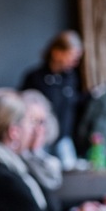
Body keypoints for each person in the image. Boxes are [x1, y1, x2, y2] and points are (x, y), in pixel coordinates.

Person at [19, 30, 84, 170]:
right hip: (40, 141)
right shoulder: (35, 78)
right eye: (72, 56)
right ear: (57, 53)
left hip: (64, 140)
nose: (75, 62)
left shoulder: (70, 78)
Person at [20, 89, 63, 190]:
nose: (39, 129)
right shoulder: (13, 162)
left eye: (42, 122)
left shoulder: (49, 162)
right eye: (33, 121)